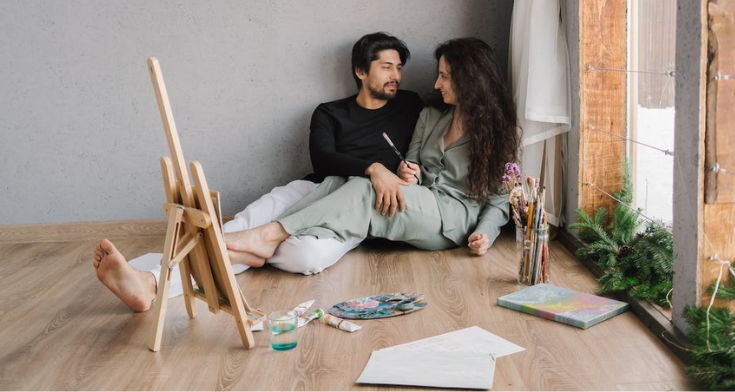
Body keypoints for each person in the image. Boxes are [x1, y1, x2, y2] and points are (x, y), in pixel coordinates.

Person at [93, 32, 423, 312]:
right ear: (361, 71)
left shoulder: (410, 105)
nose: (396, 74)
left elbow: (429, 151)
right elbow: (322, 160)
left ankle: (244, 249)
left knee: (304, 256)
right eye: (386, 67)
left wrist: (411, 172)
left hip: (355, 206)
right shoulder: (329, 112)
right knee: (243, 225)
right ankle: (151, 282)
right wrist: (373, 167)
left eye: (398, 67)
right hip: (312, 189)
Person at [224, 37, 521, 265]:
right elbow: (413, 162)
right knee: (344, 181)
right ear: (361, 71)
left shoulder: (494, 131)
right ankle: (256, 245)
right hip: (421, 199)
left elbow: (498, 200)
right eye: (439, 74)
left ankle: (269, 235)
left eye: (445, 76)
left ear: (469, 78)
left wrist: (485, 234)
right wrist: (411, 173)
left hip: (452, 220)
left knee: (365, 190)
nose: (436, 83)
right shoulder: (431, 115)